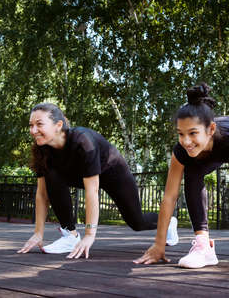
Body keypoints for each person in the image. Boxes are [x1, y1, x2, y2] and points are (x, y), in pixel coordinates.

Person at [134, 83, 229, 274]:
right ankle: (203, 245)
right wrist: (159, 245)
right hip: (203, 155)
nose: (185, 141)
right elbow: (169, 197)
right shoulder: (182, 150)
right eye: (180, 134)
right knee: (191, 176)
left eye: (192, 133)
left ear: (210, 129)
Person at [17, 103, 178, 258]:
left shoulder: (83, 141)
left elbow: (92, 191)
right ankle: (70, 235)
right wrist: (38, 233)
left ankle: (168, 221)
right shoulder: (42, 149)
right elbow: (42, 194)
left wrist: (89, 235)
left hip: (113, 174)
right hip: (79, 174)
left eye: (39, 124)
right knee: (51, 175)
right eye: (31, 125)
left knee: (137, 223)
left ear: (58, 125)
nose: (33, 130)